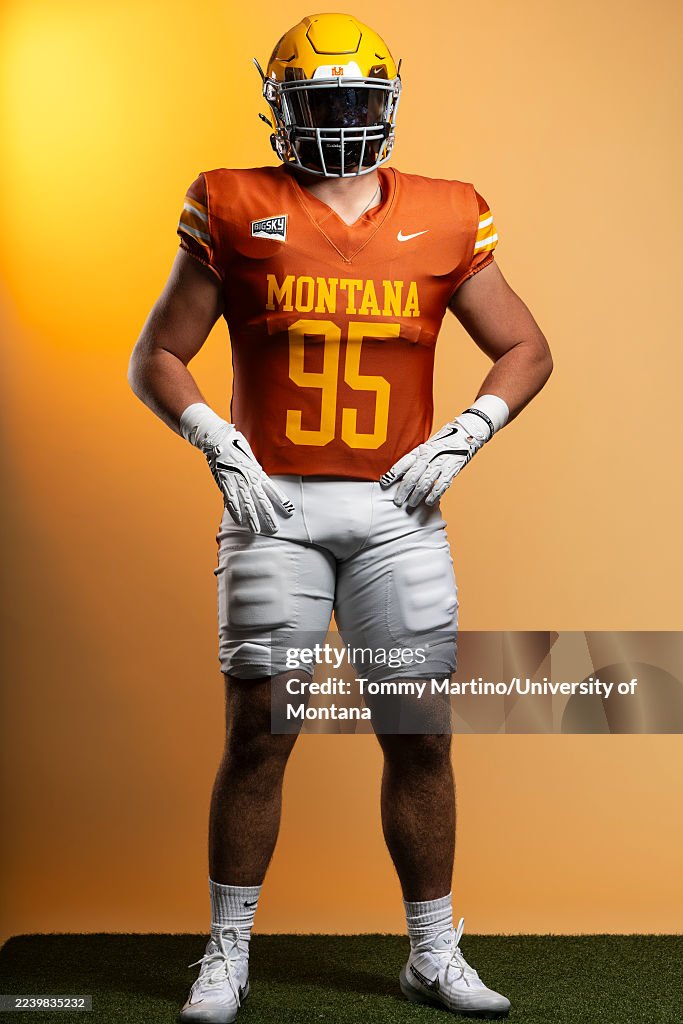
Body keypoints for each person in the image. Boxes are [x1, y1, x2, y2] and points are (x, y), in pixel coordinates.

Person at [128, 13, 552, 1022]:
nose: (344, 119)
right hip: (271, 505)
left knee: (418, 736)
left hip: (394, 513)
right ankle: (226, 952)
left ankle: (432, 951)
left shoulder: (448, 213)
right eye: (324, 101)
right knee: (258, 735)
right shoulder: (230, 204)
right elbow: (159, 354)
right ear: (280, 107)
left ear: (389, 100)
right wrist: (213, 439)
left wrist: (466, 429)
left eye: (360, 99)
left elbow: (524, 347)